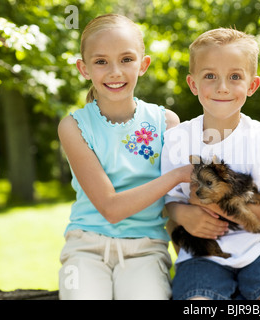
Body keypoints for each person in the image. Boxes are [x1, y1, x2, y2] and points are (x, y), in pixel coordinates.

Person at [57, 14, 192, 300]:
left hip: (146, 249)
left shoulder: (166, 122)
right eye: (101, 61)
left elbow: (179, 202)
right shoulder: (73, 126)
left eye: (126, 59)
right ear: (84, 68)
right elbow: (110, 208)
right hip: (85, 248)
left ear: (143, 65)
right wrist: (177, 174)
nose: (115, 71)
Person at [161, 28, 260, 300]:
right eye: (210, 76)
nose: (222, 87)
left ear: (252, 85)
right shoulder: (177, 140)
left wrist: (212, 202)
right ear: (193, 84)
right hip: (202, 256)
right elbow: (167, 204)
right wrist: (183, 215)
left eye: (235, 76)